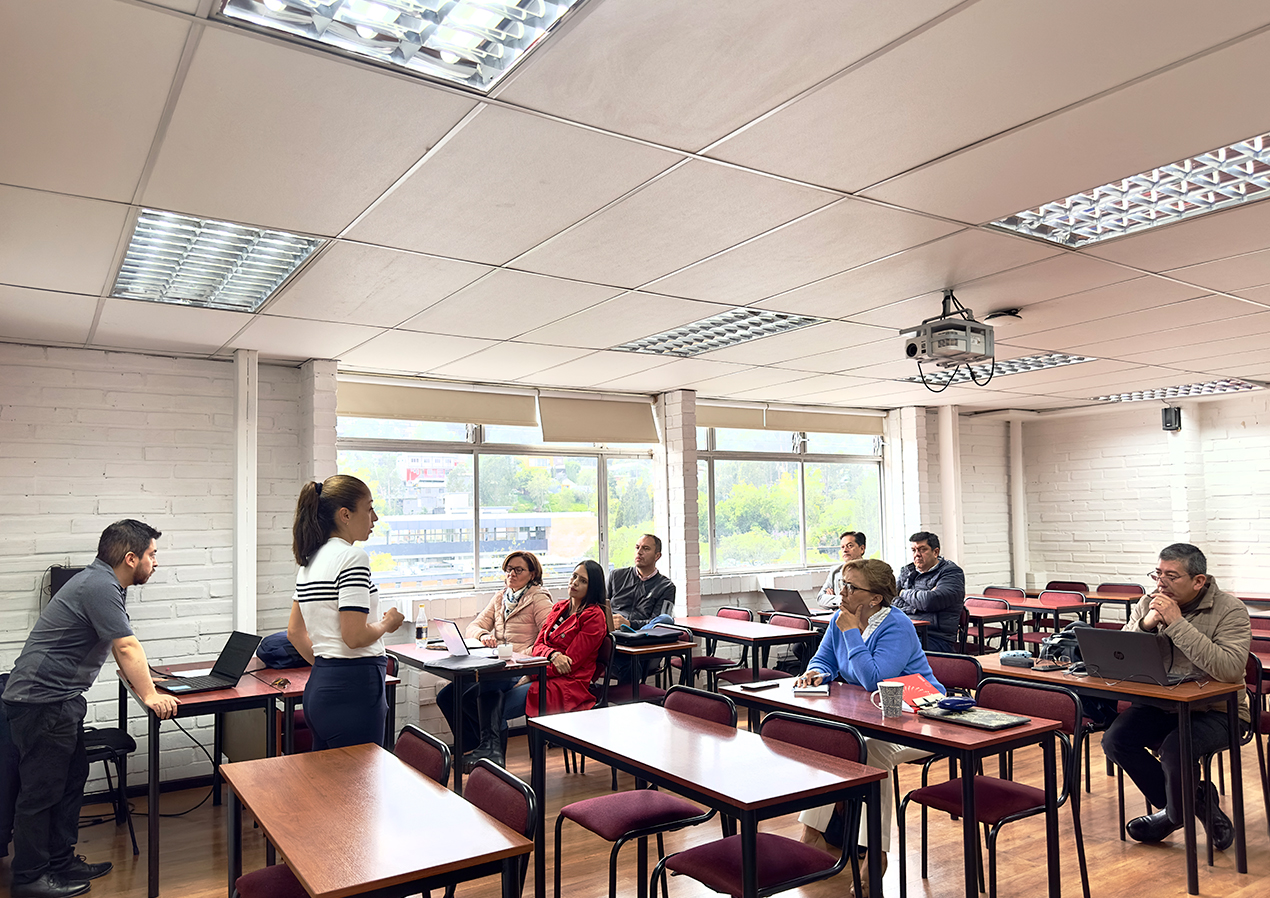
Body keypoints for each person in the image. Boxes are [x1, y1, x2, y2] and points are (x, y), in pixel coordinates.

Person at [3, 520, 179, 898]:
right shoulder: (100, 586)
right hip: (42, 702)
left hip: (58, 700)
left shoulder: (100, 582)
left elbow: (115, 646)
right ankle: (30, 877)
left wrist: (143, 680)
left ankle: (60, 861)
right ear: (131, 558)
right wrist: (149, 694)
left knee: (69, 783)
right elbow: (126, 647)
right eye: (152, 554)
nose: (155, 562)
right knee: (41, 792)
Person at [794, 558, 944, 897]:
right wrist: (817, 672)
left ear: (874, 598)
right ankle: (812, 834)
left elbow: (875, 678)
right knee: (834, 741)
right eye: (842, 584)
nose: (841, 592)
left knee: (870, 750)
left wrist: (850, 632)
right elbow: (824, 659)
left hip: (919, 719)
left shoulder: (897, 626)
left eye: (851, 587)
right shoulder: (839, 619)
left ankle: (877, 852)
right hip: (873, 717)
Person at [1103, 543, 1250, 850]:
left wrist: (1177, 623)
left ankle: (1170, 815)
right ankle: (1193, 802)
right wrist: (1146, 625)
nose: (1160, 583)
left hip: (1219, 710)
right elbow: (1121, 655)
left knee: (1175, 748)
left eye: (1171, 575)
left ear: (1199, 581)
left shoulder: (1230, 609)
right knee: (1115, 740)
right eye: (1158, 573)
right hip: (1162, 705)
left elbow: (1230, 669)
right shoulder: (1149, 603)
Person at [287, 475, 404, 751]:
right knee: (358, 787)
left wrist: (329, 666)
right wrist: (387, 623)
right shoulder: (352, 558)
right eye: (369, 508)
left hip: (321, 686)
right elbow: (355, 636)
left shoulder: (309, 561)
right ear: (345, 514)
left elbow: (294, 632)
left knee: (328, 786)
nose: (374, 518)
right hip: (355, 690)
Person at [439, 551, 553, 770]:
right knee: (448, 696)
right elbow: (474, 626)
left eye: (518, 569)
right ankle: (477, 747)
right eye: (508, 569)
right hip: (498, 664)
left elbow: (547, 638)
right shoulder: (502, 596)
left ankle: (493, 753)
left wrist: (517, 654)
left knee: (484, 691)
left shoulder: (538, 598)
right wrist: (484, 636)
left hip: (520, 668)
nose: (511, 573)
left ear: (532, 574)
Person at [511, 560, 612, 719]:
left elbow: (569, 665)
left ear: (592, 587)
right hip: (542, 671)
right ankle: (489, 743)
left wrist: (532, 675)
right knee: (485, 692)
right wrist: (553, 655)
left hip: (567, 684)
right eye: (574, 576)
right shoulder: (559, 607)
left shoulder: (594, 617)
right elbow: (538, 644)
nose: (575, 582)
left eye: (583, 581)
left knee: (499, 704)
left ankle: (492, 743)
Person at [607, 534, 676, 683]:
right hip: (613, 638)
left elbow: (661, 626)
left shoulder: (666, 586)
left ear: (657, 556)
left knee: (666, 619)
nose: (639, 552)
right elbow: (600, 606)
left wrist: (630, 624)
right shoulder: (616, 576)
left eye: (645, 548)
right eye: (637, 547)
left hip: (642, 642)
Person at [893, 531, 965, 653]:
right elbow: (890, 598)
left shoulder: (951, 573)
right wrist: (916, 605)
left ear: (935, 552)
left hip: (936, 638)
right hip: (908, 631)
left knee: (895, 651)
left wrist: (902, 593)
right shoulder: (907, 571)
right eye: (914, 550)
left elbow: (930, 601)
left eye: (922, 550)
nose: (917, 555)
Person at [816, 531, 868, 608]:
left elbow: (863, 600)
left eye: (849, 546)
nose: (845, 550)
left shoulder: (871, 571)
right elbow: (820, 598)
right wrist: (840, 600)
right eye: (842, 547)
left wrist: (831, 599)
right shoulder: (835, 571)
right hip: (838, 615)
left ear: (862, 549)